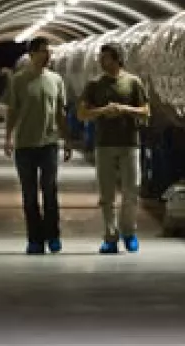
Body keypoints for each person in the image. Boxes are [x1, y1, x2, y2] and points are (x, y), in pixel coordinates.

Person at [77, 42, 150, 254]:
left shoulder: (133, 83)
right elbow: (82, 113)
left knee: (131, 190)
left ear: (118, 59)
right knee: (106, 194)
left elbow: (146, 111)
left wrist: (124, 109)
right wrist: (102, 111)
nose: (101, 61)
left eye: (106, 57)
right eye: (101, 57)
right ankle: (110, 235)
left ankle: (128, 232)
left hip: (130, 143)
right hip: (104, 144)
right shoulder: (94, 85)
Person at [4, 37, 69, 255]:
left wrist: (66, 139)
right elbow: (12, 110)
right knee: (29, 195)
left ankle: (53, 235)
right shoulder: (19, 80)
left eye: (49, 51)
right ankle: (35, 239)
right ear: (31, 54)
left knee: (50, 192)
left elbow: (61, 111)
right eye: (43, 51)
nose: (48, 55)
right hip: (25, 145)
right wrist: (8, 137)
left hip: (49, 144)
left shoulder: (56, 80)